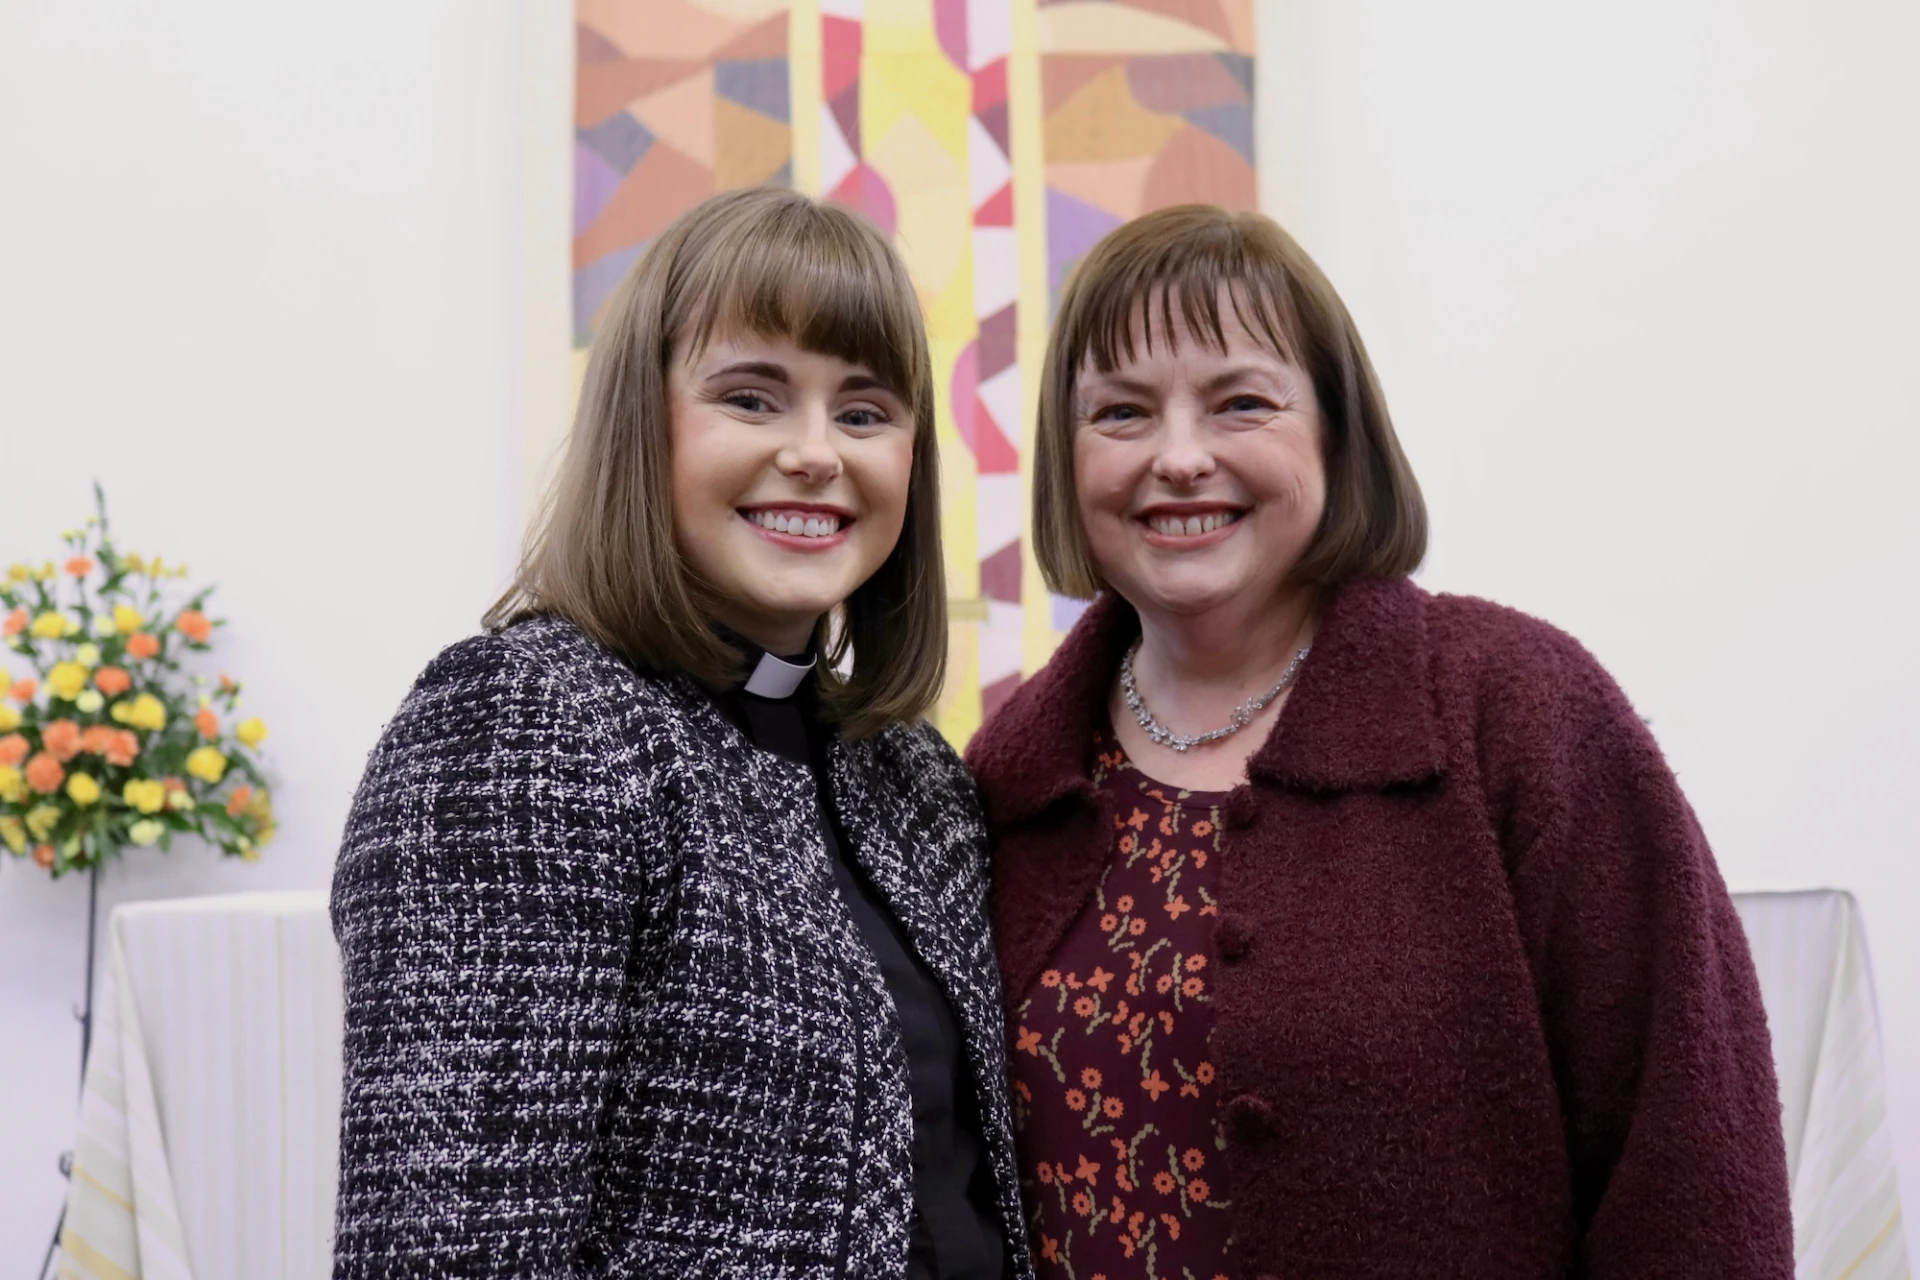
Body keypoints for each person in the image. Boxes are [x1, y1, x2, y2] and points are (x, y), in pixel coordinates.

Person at [966, 204, 1792, 1279]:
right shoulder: (1010, 780)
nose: (1178, 458)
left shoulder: (1515, 712)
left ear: (1337, 437)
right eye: (1121, 414)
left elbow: (1690, 1159)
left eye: (1241, 403)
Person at [332, 187, 1026, 1280]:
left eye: (863, 410)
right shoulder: (521, 722)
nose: (816, 452)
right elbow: (449, 1250)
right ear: (639, 424)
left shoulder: (917, 779)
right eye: (752, 399)